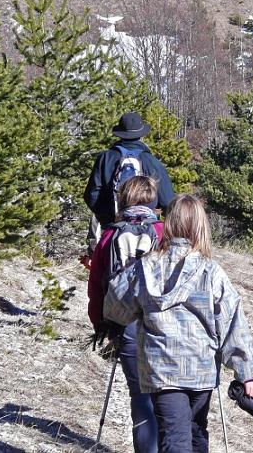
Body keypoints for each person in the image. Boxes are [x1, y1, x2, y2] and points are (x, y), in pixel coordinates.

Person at [103, 194, 253, 453]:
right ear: (201, 227)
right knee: (195, 434)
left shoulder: (145, 267)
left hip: (161, 370)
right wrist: (248, 373)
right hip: (201, 368)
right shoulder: (211, 271)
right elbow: (233, 322)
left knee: (177, 437)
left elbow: (114, 308)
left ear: (169, 222)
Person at [88, 176, 162, 453]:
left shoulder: (110, 235)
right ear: (153, 199)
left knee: (140, 395)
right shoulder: (164, 232)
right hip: (163, 324)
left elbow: (97, 285)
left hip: (126, 322)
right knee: (167, 396)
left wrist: (101, 323)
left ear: (124, 199)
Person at [83, 111, 175, 257]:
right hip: (148, 233)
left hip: (113, 231)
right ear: (141, 134)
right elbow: (168, 202)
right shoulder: (151, 162)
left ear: (120, 134)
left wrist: (108, 220)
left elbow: (92, 195)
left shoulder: (105, 158)